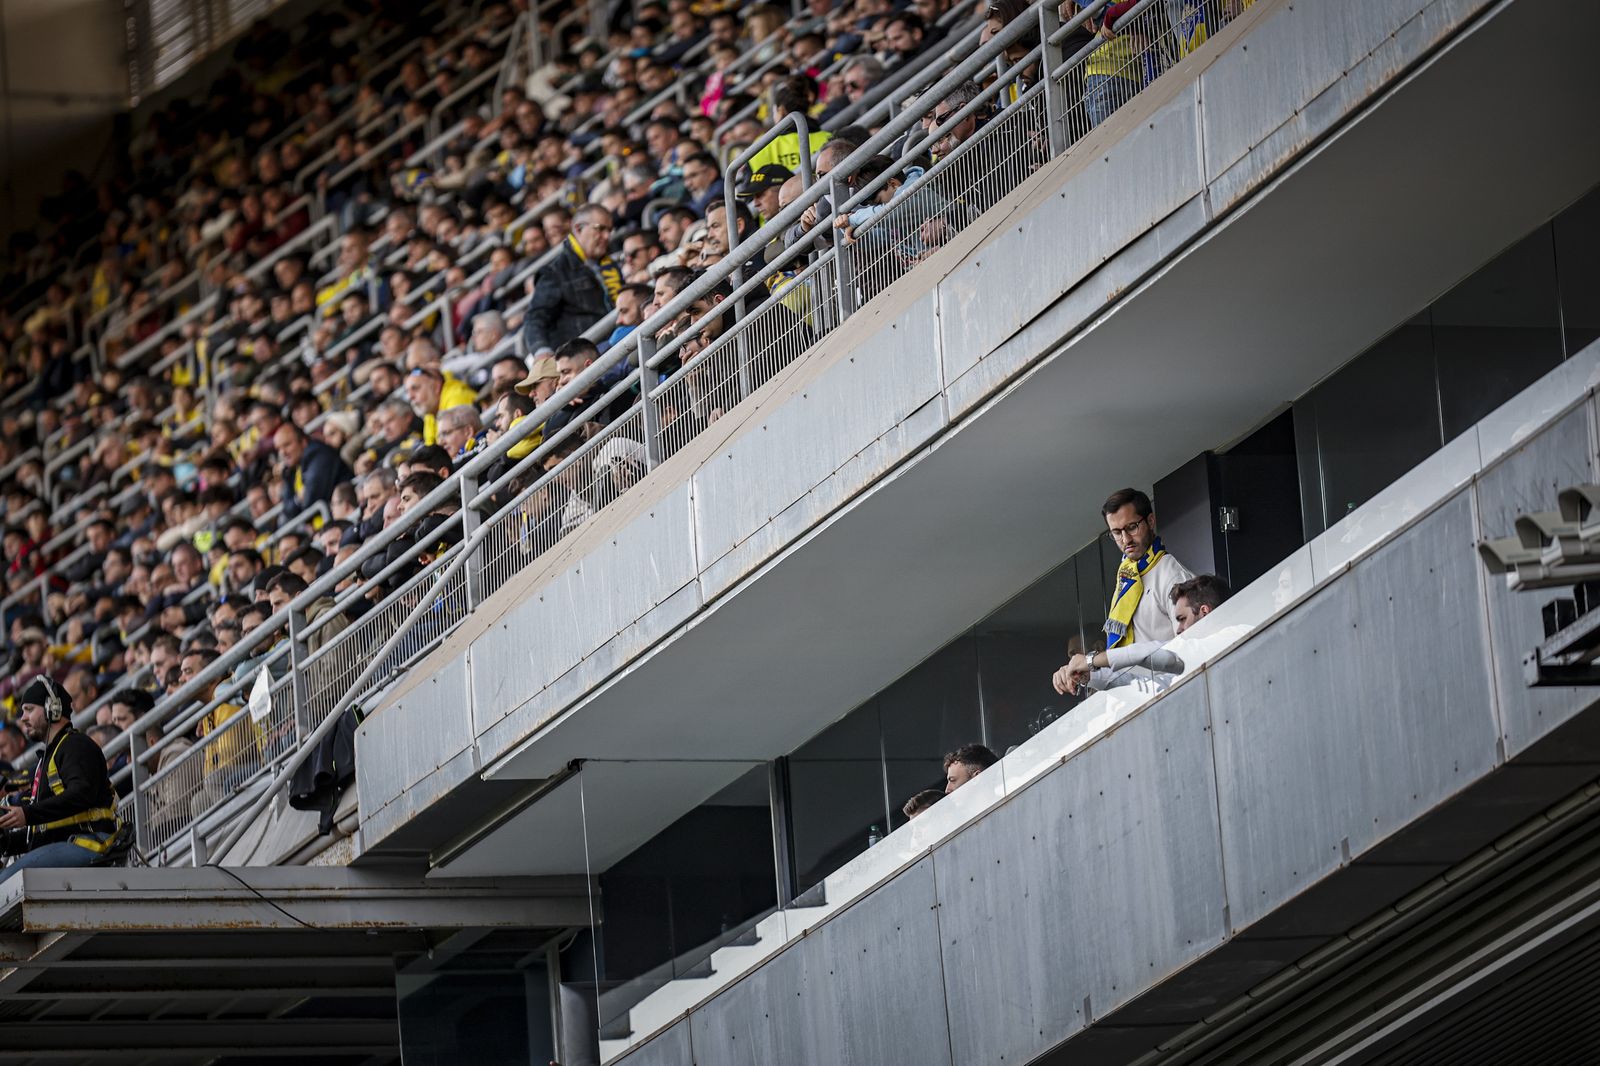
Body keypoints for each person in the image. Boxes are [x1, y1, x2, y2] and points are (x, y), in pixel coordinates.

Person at [0, 676, 122, 882]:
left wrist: (28, 814)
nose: (22, 718)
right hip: (68, 843)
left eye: (29, 709)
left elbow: (81, 794)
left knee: (4, 884)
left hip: (88, 842)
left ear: (52, 708)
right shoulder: (48, 757)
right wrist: (6, 842)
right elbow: (44, 831)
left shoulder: (76, 745)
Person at [1053, 573, 1231, 696]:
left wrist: (1091, 661)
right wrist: (1089, 675)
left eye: (1182, 618)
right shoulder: (1188, 662)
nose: (1178, 629)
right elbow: (1144, 687)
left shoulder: (1237, 634)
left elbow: (1153, 652)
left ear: (1205, 612)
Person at [521, 203, 620, 360]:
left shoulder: (610, 266)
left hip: (616, 347)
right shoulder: (555, 271)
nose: (607, 236)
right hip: (583, 361)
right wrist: (542, 351)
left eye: (609, 230)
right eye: (600, 229)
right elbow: (535, 318)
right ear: (579, 229)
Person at [1099, 487, 1194, 649]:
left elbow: (1190, 643)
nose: (1125, 539)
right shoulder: (1126, 577)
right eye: (1116, 532)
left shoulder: (1173, 575)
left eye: (1131, 527)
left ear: (1150, 521)